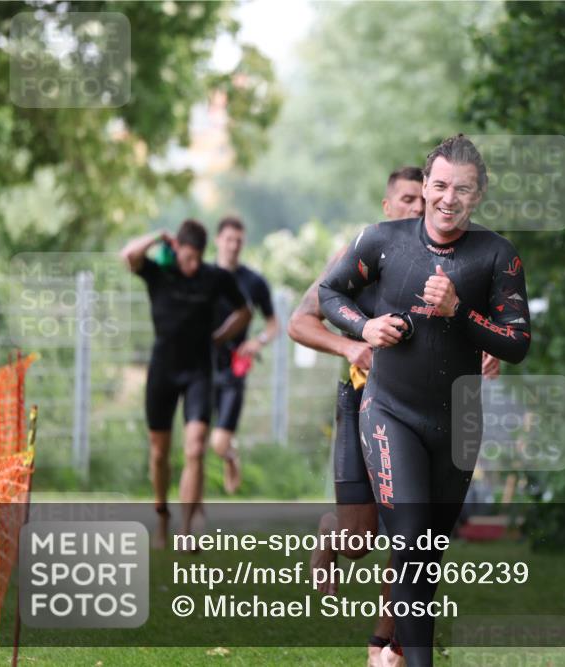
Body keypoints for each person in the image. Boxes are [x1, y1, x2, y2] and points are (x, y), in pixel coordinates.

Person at [318, 135, 531, 666]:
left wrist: (459, 311)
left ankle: (391, 651)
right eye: (439, 185)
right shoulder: (381, 240)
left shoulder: (496, 256)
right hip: (390, 411)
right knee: (411, 544)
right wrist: (365, 328)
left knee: (427, 556)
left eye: (462, 189)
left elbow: (517, 342)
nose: (447, 199)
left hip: (456, 424)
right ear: (426, 185)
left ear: (477, 195)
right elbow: (328, 294)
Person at [289, 166, 425, 666]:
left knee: (411, 527)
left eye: (423, 199)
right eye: (407, 199)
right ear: (388, 207)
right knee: (358, 540)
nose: (417, 208)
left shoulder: (445, 261)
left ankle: (384, 647)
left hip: (418, 413)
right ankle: (331, 533)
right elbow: (300, 321)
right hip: (362, 403)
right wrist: (350, 346)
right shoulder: (360, 254)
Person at [120, 220, 250, 548]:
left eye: (197, 259)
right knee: (159, 452)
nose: (192, 266)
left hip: (198, 373)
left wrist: (220, 337)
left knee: (195, 448)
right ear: (177, 249)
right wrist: (156, 237)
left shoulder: (214, 278)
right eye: (187, 258)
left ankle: (185, 531)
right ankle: (162, 514)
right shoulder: (158, 273)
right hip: (162, 371)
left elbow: (244, 312)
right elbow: (129, 255)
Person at [210, 216, 278, 494]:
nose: (233, 245)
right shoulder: (204, 276)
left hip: (234, 367)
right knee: (198, 440)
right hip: (201, 366)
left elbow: (274, 325)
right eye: (228, 239)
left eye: (238, 241)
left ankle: (230, 456)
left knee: (219, 444)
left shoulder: (254, 282)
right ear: (218, 241)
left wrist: (257, 342)